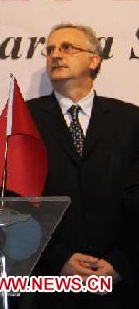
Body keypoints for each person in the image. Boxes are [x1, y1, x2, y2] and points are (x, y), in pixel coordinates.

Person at [25, 23, 139, 309]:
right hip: (50, 285)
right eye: (50, 50)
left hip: (119, 285)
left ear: (94, 59)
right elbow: (16, 201)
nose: (55, 55)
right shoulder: (25, 117)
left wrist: (121, 263)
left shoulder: (130, 119)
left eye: (67, 48)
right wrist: (58, 257)